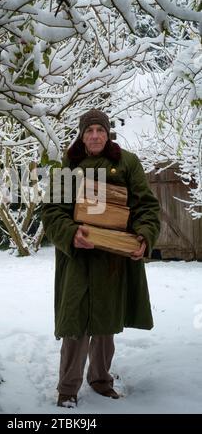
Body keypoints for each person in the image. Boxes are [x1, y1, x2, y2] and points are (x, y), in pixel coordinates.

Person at [41, 109, 160, 408]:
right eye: (89, 130)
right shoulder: (68, 165)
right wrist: (70, 234)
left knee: (106, 323)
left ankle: (101, 380)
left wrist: (144, 237)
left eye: (100, 130)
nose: (95, 135)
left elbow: (146, 206)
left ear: (108, 134)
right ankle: (67, 388)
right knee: (75, 324)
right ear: (81, 135)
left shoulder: (127, 163)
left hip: (113, 260)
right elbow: (52, 212)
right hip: (78, 258)